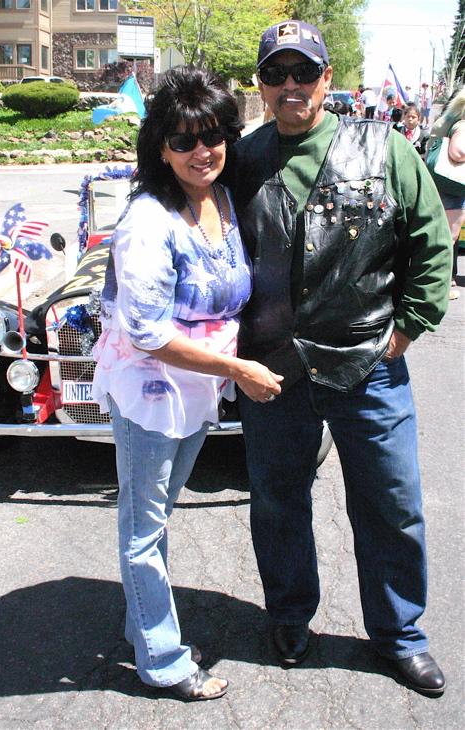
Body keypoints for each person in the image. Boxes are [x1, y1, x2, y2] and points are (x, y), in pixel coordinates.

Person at [226, 19, 452, 697]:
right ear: (260, 85)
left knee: (390, 504)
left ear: (327, 78)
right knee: (276, 501)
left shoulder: (384, 147)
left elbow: (430, 239)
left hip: (368, 365)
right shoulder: (240, 159)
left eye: (304, 72)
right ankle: (291, 615)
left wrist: (407, 329)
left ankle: (399, 636)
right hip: (273, 370)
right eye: (276, 74)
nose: (290, 86)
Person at [92, 67, 282, 701]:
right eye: (182, 140)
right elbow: (146, 331)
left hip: (195, 386)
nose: (201, 151)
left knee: (158, 516)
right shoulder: (148, 220)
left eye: (212, 135)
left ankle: (141, 628)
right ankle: (164, 661)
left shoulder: (223, 198)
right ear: (160, 149)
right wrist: (238, 370)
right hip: (151, 389)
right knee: (143, 528)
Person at [427, 87, 465, 299]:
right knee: (447, 239)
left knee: (442, 238)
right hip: (454, 188)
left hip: (445, 186)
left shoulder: (453, 122)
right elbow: (458, 151)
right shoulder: (462, 125)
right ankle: (438, 287)